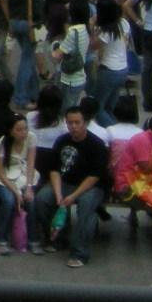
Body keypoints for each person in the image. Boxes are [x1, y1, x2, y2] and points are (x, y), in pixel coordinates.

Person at [32, 105, 110, 266]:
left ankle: (80, 253)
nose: (73, 126)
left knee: (86, 207)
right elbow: (54, 170)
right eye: (70, 123)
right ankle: (58, 238)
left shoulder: (97, 145)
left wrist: (73, 196)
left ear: (85, 123)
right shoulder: (62, 141)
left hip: (90, 187)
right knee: (42, 199)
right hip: (65, 182)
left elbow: (94, 176)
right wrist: (58, 194)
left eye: (77, 122)